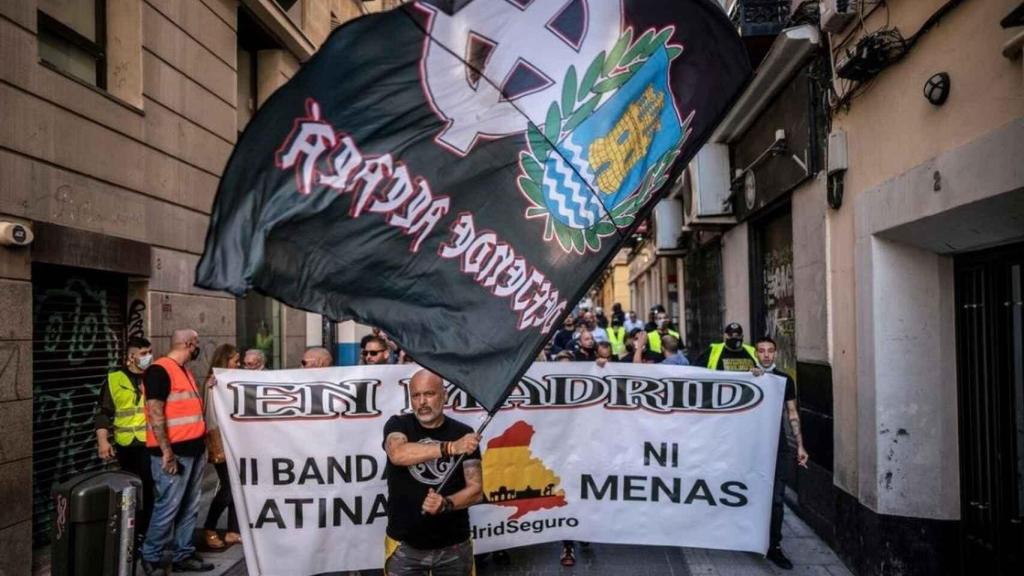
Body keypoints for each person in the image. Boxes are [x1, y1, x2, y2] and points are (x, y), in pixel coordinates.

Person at [382, 369, 482, 575]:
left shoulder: (464, 433)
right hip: (404, 546)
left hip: (454, 546)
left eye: (429, 394)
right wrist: (449, 448)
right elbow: (397, 454)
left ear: (444, 395)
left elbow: (476, 490)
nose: (422, 402)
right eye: (416, 396)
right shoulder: (398, 424)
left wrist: (446, 503)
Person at [140, 329, 213, 575]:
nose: (198, 349)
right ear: (189, 344)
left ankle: (183, 554)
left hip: (194, 450)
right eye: (197, 344)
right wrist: (166, 452)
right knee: (168, 506)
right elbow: (155, 413)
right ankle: (150, 556)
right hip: (174, 454)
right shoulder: (159, 370)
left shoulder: (185, 372)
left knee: (190, 507)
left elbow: (189, 410)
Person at [752, 337, 809, 570]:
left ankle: (774, 546)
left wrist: (801, 445)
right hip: (751, 447)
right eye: (762, 351)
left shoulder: (785, 380)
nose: (766, 355)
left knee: (776, 499)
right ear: (756, 354)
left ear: (776, 354)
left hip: (778, 448)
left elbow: (792, 414)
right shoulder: (749, 376)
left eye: (770, 351)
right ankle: (751, 538)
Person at [94, 336, 155, 551]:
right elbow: (103, 414)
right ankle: (132, 533)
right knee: (131, 492)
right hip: (126, 446)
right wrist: (103, 441)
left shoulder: (153, 376)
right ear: (131, 356)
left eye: (150, 352)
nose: (149, 357)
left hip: (150, 444)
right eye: (144, 353)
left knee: (150, 490)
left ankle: (146, 536)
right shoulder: (114, 379)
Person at [202, 344, 241, 551]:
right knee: (229, 488)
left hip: (234, 444)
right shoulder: (214, 383)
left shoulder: (227, 382)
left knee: (235, 487)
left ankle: (233, 531)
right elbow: (212, 418)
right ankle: (210, 528)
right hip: (222, 444)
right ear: (225, 360)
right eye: (235, 360)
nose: (239, 364)